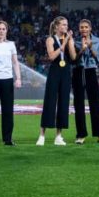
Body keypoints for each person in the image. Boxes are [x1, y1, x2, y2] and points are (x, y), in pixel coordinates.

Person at [38, 16, 76, 146]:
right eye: (63, 25)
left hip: (66, 72)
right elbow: (52, 56)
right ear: (56, 27)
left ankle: (59, 136)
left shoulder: (68, 39)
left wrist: (70, 42)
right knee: (49, 101)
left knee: (63, 103)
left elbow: (73, 57)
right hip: (54, 72)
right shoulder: (50, 39)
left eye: (66, 24)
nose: (66, 27)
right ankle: (42, 135)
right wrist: (64, 42)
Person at [72, 19, 99, 144]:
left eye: (86, 27)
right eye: (81, 27)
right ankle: (81, 135)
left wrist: (91, 47)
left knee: (96, 104)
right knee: (78, 104)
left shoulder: (98, 41)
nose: (84, 29)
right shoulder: (74, 41)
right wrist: (82, 49)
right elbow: (73, 59)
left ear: (90, 28)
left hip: (91, 71)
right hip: (78, 71)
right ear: (79, 29)